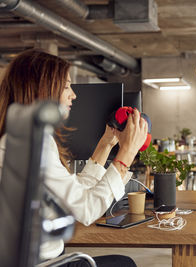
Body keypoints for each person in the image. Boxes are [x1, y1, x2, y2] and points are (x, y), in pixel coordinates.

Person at [0, 49, 148, 267]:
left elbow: (74, 196)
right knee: (124, 264)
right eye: (67, 86)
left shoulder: (17, 139)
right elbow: (86, 210)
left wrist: (106, 144)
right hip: (44, 263)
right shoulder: (33, 146)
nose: (73, 94)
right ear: (43, 89)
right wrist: (126, 154)